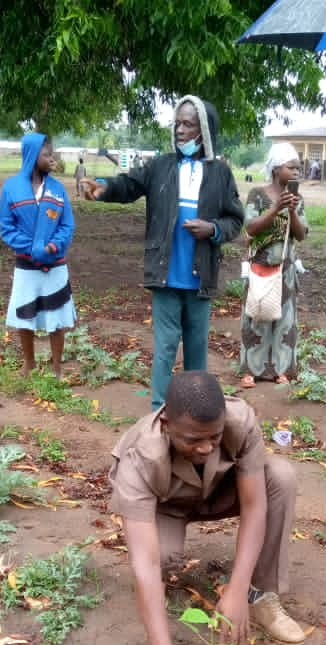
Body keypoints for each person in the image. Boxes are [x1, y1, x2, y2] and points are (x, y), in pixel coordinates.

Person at [109, 370, 305, 645]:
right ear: (166, 422)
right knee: (163, 562)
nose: (205, 447)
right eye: (193, 440)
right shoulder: (139, 456)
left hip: (219, 492)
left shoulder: (240, 421)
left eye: (213, 437)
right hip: (166, 507)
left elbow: (255, 506)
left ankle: (261, 594)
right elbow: (144, 564)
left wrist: (238, 589)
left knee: (280, 477)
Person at [82, 96, 243, 410]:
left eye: (188, 124)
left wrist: (212, 229)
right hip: (165, 274)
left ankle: (195, 413)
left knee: (196, 352)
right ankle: (158, 412)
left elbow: (235, 220)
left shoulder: (220, 173)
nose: (180, 130)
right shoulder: (161, 166)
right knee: (166, 347)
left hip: (200, 280)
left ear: (205, 131)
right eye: (177, 124)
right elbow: (128, 185)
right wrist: (103, 188)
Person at [0, 133, 76, 378]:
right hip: (26, 266)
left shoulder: (57, 189)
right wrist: (31, 248)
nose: (51, 159)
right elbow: (6, 227)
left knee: (57, 317)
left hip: (55, 266)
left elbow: (67, 225)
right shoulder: (11, 188)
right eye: (46, 155)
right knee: (25, 315)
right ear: (32, 155)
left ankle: (56, 368)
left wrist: (52, 247)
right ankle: (29, 364)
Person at [239, 143, 308, 389]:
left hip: (286, 268)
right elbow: (250, 227)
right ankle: (251, 369)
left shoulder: (297, 200)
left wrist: (292, 212)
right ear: (276, 169)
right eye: (291, 167)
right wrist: (275, 209)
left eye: (298, 168)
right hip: (261, 264)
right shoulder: (257, 194)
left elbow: (301, 235)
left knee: (285, 321)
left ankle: (282, 369)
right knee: (256, 314)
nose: (296, 172)